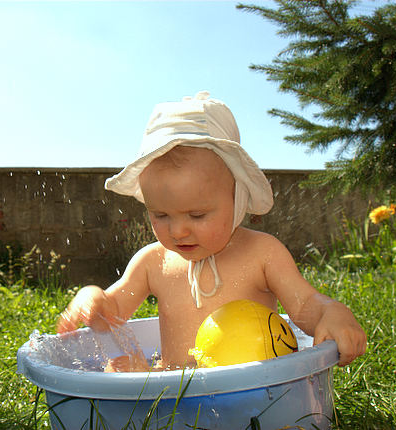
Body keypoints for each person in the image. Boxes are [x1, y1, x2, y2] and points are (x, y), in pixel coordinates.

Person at [56, 91, 366, 371]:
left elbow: (305, 305)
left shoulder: (262, 254)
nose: (178, 231)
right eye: (160, 214)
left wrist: (333, 313)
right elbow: (112, 313)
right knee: (121, 369)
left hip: (252, 388)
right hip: (174, 386)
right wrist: (93, 299)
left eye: (197, 214)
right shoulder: (153, 262)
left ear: (237, 199)